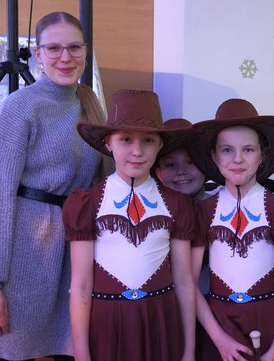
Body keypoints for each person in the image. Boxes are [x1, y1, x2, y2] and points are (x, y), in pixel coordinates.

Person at [0, 11, 108, 361]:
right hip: (25, 256)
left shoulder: (89, 105)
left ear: (85, 51)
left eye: (74, 47)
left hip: (73, 253)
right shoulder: (20, 108)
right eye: (54, 48)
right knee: (14, 349)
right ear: (38, 54)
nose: (65, 57)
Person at [62, 89, 197, 361]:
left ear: (159, 145)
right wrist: (81, 355)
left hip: (161, 321)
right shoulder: (87, 203)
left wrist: (189, 351)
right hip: (107, 324)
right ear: (108, 143)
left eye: (148, 140)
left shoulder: (177, 205)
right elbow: (80, 285)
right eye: (126, 139)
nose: (137, 151)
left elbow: (184, 281)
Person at [189, 98, 274, 361]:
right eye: (227, 150)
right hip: (219, 325)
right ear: (214, 155)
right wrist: (219, 339)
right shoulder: (203, 211)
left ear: (262, 154)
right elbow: (189, 283)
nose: (238, 159)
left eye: (248, 150)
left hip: (272, 322)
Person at [154, 118, 207, 201]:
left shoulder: (225, 205)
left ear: (205, 167)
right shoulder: (148, 207)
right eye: (171, 165)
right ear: (159, 174)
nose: (181, 171)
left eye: (190, 162)